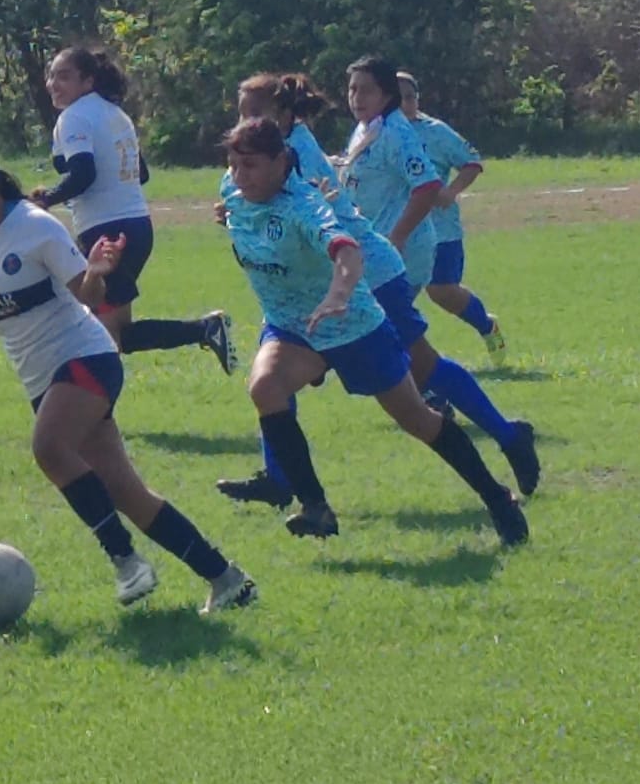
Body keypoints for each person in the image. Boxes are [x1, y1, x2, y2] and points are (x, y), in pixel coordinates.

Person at [0, 133, 257, 615]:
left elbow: (89, 296)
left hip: (86, 357)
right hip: (43, 381)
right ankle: (227, 579)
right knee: (127, 494)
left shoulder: (36, 227)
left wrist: (97, 269)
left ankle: (125, 561)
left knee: (48, 448)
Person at [216, 73, 540, 508]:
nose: (246, 121)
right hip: (315, 285)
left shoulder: (295, 155)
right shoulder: (266, 157)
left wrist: (392, 241)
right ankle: (281, 478)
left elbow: (313, 216)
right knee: (271, 370)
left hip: (366, 274)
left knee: (422, 369)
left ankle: (507, 435)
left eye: (254, 112)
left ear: (283, 115)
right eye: (242, 113)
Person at [30, 45, 236, 374]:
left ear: (88, 80)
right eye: (51, 76)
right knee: (113, 331)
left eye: (64, 76)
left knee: (104, 334)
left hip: (108, 233)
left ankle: (93, 411)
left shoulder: (74, 117)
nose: (54, 83)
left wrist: (46, 200)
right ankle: (204, 330)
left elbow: (84, 173)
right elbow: (140, 173)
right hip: (137, 226)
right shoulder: (114, 113)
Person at [398, 71, 506, 358]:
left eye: (410, 97)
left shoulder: (435, 132)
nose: (404, 103)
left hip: (439, 229)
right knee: (394, 295)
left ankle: (487, 326)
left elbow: (471, 162)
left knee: (441, 289)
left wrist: (451, 191)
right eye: (398, 98)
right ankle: (406, 362)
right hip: (394, 229)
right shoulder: (376, 131)